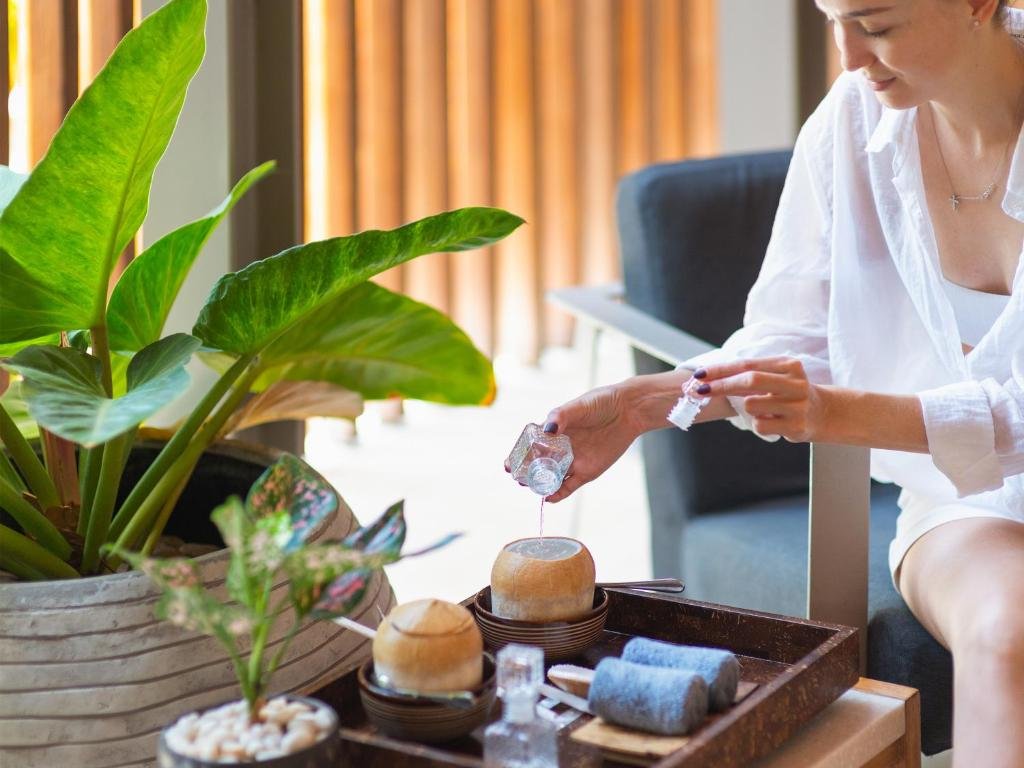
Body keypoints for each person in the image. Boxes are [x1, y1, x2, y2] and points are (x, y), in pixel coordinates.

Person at [530, 1, 1024, 764]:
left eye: (877, 26)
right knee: (1006, 633)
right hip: (975, 506)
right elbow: (789, 335)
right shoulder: (853, 122)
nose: (849, 57)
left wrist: (836, 411)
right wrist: (643, 404)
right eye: (833, 19)